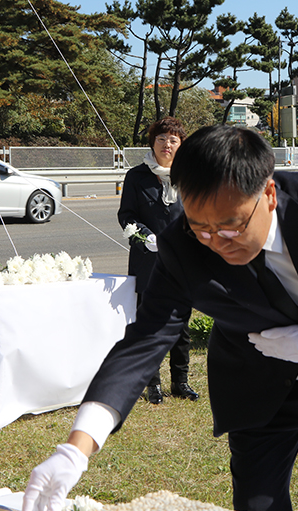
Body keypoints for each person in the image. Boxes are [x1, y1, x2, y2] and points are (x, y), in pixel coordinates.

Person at [20, 125, 298, 511]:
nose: (215, 243)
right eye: (201, 228)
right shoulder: (183, 245)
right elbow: (147, 339)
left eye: (230, 227)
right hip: (259, 384)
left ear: (268, 195)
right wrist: (76, 448)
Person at [116, 117, 197, 404]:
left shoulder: (189, 175)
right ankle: (152, 383)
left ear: (181, 145)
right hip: (148, 261)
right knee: (149, 323)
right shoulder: (137, 176)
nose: (167, 144)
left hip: (181, 261)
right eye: (162, 138)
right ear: (153, 142)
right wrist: (146, 237)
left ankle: (181, 381)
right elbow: (126, 215)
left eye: (174, 140)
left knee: (181, 325)